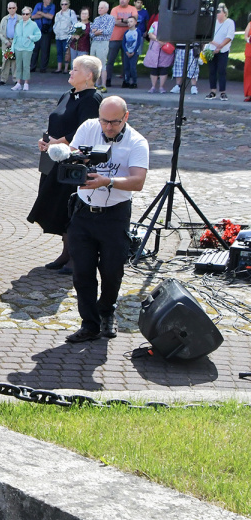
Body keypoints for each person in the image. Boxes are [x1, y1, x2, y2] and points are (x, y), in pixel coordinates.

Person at [58, 95, 148, 343]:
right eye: (104, 121)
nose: (108, 127)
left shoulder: (137, 142)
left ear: (126, 117)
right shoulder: (88, 128)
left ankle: (107, 311)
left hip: (115, 214)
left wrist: (107, 181)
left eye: (114, 122)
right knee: (82, 272)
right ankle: (89, 324)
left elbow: (138, 181)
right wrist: (77, 160)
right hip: (83, 211)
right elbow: (70, 158)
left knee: (112, 271)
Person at [29, 54, 104, 273]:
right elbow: (58, 121)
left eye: (75, 70)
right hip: (54, 160)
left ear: (88, 75)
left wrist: (58, 142)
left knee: (72, 209)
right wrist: (46, 140)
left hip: (73, 163)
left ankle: (76, 257)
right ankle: (66, 253)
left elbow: (85, 130)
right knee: (59, 208)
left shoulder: (92, 99)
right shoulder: (67, 95)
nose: (70, 72)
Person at [205, 3, 235, 101]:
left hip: (223, 50)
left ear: (224, 13)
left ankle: (223, 92)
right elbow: (207, 35)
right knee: (212, 71)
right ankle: (213, 91)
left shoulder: (229, 22)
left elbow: (229, 37)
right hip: (211, 50)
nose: (217, 14)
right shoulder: (213, 22)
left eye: (219, 12)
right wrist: (215, 45)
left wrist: (220, 46)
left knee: (222, 70)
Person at [108, 0, 138, 87]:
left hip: (128, 40)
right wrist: (127, 22)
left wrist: (120, 20)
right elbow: (114, 22)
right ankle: (108, 79)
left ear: (128, 0)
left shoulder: (133, 9)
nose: (122, 0)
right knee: (110, 60)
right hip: (115, 38)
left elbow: (134, 20)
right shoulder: (115, 9)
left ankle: (126, 80)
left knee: (126, 61)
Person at [11, 6, 42, 91]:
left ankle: (26, 83)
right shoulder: (18, 24)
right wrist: (12, 48)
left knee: (26, 66)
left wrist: (31, 37)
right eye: (23, 14)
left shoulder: (33, 24)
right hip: (18, 47)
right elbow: (15, 37)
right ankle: (18, 83)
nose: (25, 15)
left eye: (27, 14)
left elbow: (38, 35)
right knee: (18, 66)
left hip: (27, 48)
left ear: (30, 15)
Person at [142, 19, 174, 94]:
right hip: (154, 49)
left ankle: (161, 87)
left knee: (164, 68)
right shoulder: (154, 24)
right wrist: (158, 40)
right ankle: (153, 86)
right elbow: (150, 34)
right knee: (153, 69)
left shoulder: (171, 25)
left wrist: (165, 41)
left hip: (165, 49)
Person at [90, 2, 114, 89]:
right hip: (94, 42)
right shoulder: (96, 19)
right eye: (99, 8)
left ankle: (103, 85)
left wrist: (97, 31)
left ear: (107, 9)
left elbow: (108, 31)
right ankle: (96, 84)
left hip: (103, 42)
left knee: (102, 64)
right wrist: (96, 32)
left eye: (102, 8)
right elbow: (91, 33)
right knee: (94, 64)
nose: (99, 9)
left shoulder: (110, 18)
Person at [31, 0, 56, 72]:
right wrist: (46, 15)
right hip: (36, 31)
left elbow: (51, 17)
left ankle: (43, 68)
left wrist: (41, 13)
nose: (49, 1)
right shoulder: (38, 5)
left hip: (46, 31)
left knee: (45, 50)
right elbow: (33, 16)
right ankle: (32, 67)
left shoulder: (52, 6)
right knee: (35, 49)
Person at [53, 0, 78, 73]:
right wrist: (55, 31)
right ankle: (59, 68)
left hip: (66, 36)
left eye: (65, 4)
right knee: (59, 52)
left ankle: (66, 69)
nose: (64, 6)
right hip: (58, 35)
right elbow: (55, 24)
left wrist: (70, 32)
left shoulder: (71, 12)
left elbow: (75, 24)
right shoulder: (58, 14)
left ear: (68, 5)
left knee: (67, 52)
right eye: (62, 4)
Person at [0, 1, 19, 86]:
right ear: (7, 9)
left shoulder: (20, 19)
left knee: (15, 62)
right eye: (10, 8)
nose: (12, 10)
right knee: (5, 61)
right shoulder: (4, 19)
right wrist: (6, 41)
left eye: (13, 8)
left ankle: (16, 79)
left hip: (16, 42)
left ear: (16, 8)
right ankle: (3, 79)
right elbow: (0, 32)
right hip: (6, 43)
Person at [121, 16, 140, 89]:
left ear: (135, 22)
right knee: (126, 67)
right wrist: (126, 51)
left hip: (134, 53)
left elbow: (138, 43)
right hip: (127, 52)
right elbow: (123, 43)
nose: (129, 23)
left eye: (131, 21)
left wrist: (134, 51)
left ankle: (134, 82)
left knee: (132, 67)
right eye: (128, 22)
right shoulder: (126, 32)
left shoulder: (137, 32)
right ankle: (126, 81)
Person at [244, 12, 251, 102]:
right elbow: (245, 36)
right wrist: (248, 39)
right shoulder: (250, 24)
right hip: (249, 51)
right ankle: (249, 93)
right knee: (248, 72)